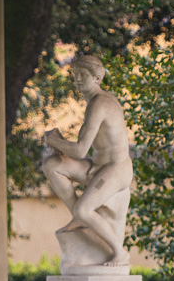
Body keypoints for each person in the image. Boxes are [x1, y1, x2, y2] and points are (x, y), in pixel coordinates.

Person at [42, 55, 133, 266]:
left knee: (85, 209)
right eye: (75, 75)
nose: (78, 79)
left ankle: (120, 252)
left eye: (83, 75)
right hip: (98, 165)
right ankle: (80, 219)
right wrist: (60, 145)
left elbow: (81, 150)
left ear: (97, 78)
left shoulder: (100, 103)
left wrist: (54, 140)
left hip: (116, 169)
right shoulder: (92, 102)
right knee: (52, 164)